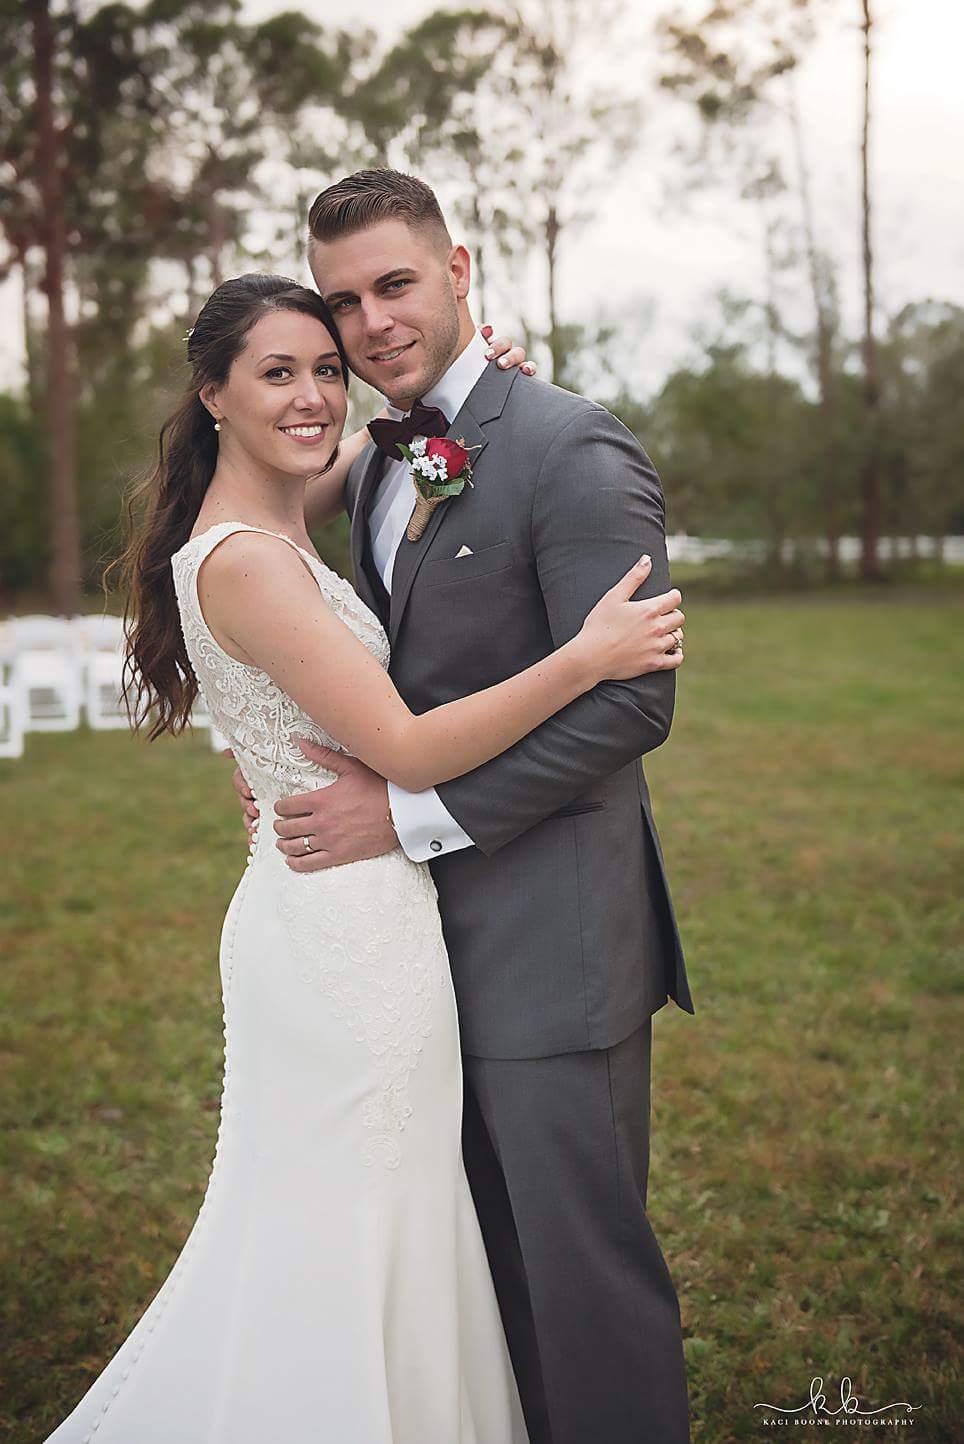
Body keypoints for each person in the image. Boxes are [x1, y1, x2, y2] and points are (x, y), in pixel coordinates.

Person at [43, 272, 684, 1444]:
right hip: (342, 933)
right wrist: (583, 657)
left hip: (354, 913)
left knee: (377, 1212)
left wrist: (467, 396)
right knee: (349, 1213)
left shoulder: (292, 495)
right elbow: (407, 747)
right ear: (212, 394)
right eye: (276, 373)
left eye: (325, 369)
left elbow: (388, 453)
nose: (311, 396)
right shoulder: (248, 558)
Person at [232, 169, 697, 1444]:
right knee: (485, 1286)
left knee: (583, 1288)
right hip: (410, 959)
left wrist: (404, 817)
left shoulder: (570, 446)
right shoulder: (376, 460)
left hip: (554, 947)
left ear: (458, 270)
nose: (372, 321)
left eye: (395, 284)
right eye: (343, 301)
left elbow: (631, 707)